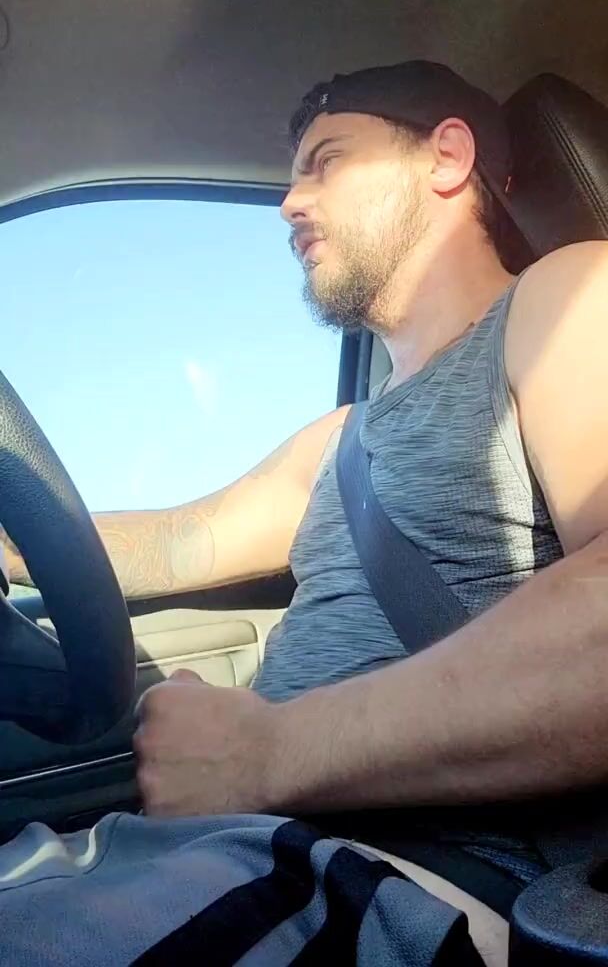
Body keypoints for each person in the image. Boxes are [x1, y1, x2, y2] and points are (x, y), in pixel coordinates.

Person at [4, 61, 608, 966]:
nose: (290, 202)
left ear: (447, 157)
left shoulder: (568, 297)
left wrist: (269, 753)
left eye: (327, 161)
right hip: (243, 853)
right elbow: (175, 540)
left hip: (422, 883)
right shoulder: (340, 439)